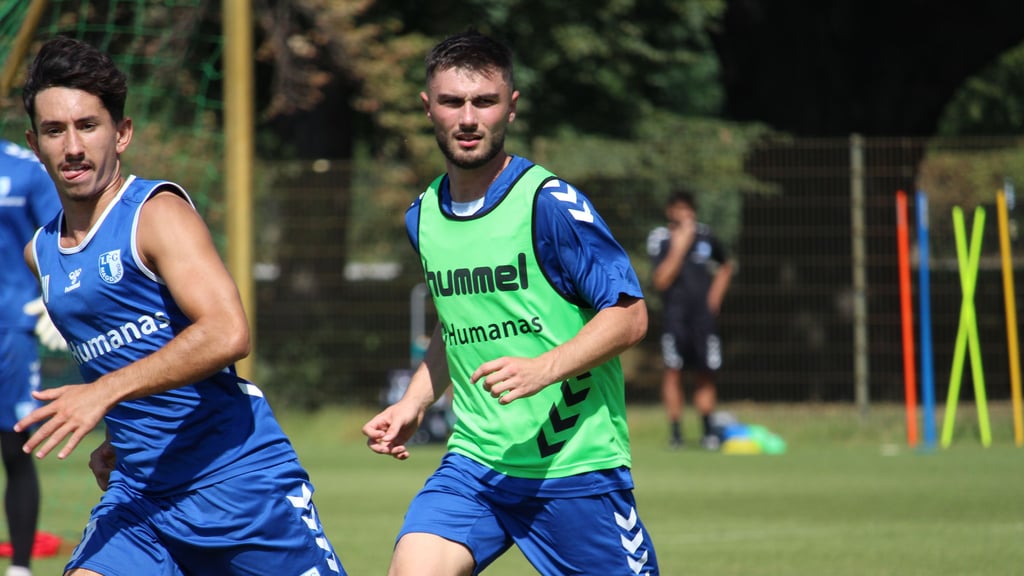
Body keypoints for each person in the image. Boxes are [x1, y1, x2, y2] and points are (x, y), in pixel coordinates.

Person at [14, 36, 345, 575]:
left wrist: (103, 394)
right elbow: (128, 354)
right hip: (140, 496)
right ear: (36, 142)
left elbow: (227, 332)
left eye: (88, 126)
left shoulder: (156, 213)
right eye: (55, 130)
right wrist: (118, 433)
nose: (72, 146)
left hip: (238, 483)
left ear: (121, 134)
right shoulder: (41, 253)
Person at [362, 30, 659, 575]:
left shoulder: (549, 204)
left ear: (512, 107)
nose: (468, 118)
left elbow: (629, 315)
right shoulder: (422, 214)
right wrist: (414, 401)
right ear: (428, 109)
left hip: (573, 467)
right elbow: (455, 323)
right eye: (452, 102)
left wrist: (544, 368)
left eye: (484, 101)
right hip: (477, 464)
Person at [0, 138, 62, 576]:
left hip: (12, 329)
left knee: (16, 447)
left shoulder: (26, 169)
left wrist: (54, 300)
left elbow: (62, 240)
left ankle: (19, 569)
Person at [647, 190, 734, 450]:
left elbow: (726, 265)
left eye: (689, 209)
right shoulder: (660, 239)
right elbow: (660, 280)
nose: (686, 215)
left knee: (706, 372)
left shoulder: (706, 236)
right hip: (676, 318)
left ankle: (708, 432)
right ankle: (676, 434)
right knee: (673, 372)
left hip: (703, 320)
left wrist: (715, 297)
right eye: (680, 209)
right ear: (670, 212)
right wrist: (681, 244)